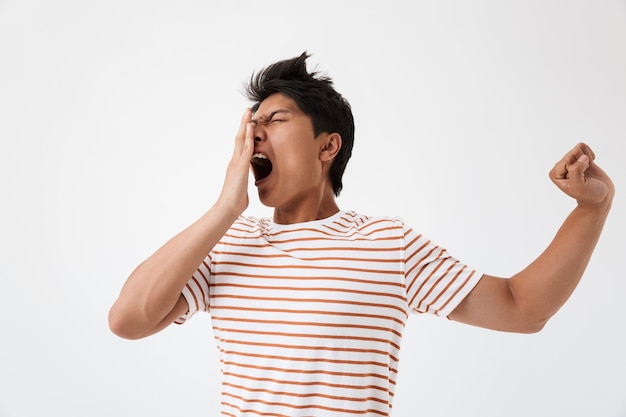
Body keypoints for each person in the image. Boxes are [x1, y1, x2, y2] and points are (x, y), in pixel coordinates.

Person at [108, 52, 614, 416]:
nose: (253, 134)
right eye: (250, 125)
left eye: (275, 119)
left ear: (328, 146)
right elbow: (128, 320)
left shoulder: (385, 243)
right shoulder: (225, 246)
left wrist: (593, 209)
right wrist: (225, 209)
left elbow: (523, 309)